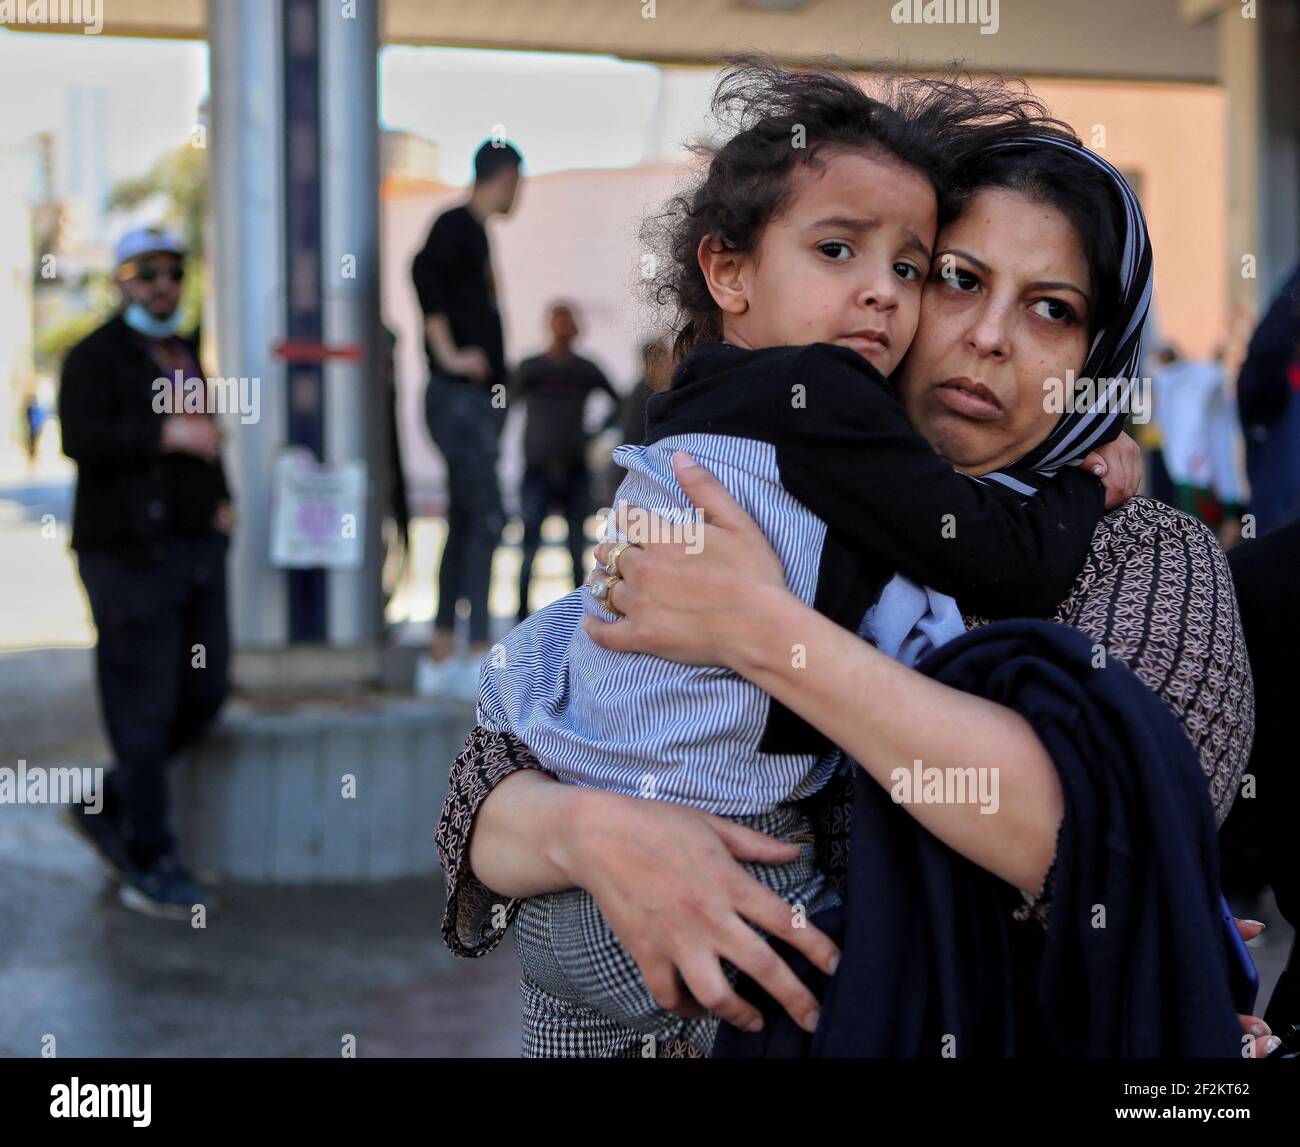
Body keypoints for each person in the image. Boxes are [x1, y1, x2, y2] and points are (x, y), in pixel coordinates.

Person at [434, 67, 1263, 1058]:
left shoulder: (1143, 553)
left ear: (1097, 360)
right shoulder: (761, 491)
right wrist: (596, 838)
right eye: (958, 279)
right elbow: (489, 781)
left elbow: (1097, 835)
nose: (990, 337)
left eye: (1051, 309)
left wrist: (761, 629)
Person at [58, 225, 230, 920]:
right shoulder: (93, 356)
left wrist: (224, 504)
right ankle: (152, 860)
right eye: (149, 271)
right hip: (125, 557)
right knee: (143, 707)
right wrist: (166, 433)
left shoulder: (183, 350)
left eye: (174, 272)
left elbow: (209, 439)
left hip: (193, 552)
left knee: (206, 689)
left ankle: (108, 804)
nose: (163, 283)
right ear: (121, 280)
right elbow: (81, 436)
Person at [412, 139, 523, 698]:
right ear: (503, 177)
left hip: (472, 403)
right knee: (485, 517)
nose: (519, 194)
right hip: (457, 399)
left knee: (465, 517)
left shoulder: (475, 234)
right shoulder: (457, 224)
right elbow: (422, 274)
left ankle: (440, 651)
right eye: (517, 182)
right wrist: (450, 353)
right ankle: (478, 653)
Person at [510, 302, 620, 621]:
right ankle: (521, 617)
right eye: (558, 321)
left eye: (568, 321)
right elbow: (503, 403)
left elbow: (618, 403)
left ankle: (577, 616)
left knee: (577, 548)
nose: (564, 328)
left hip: (575, 469)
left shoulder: (585, 369)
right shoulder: (531, 367)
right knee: (529, 545)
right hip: (538, 469)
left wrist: (594, 434)